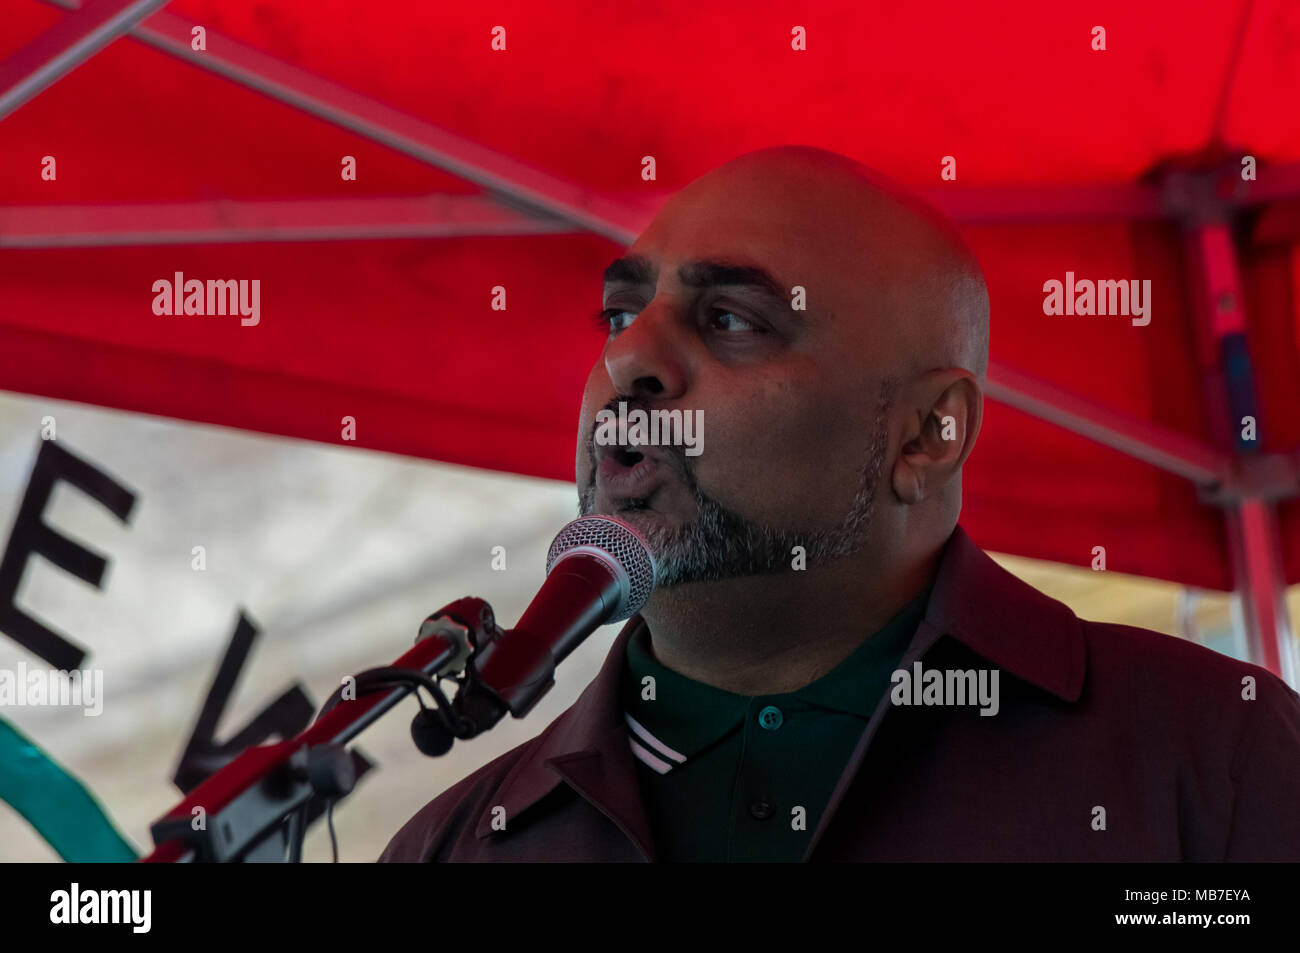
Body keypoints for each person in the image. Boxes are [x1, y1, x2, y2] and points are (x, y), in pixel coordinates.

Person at [380, 145, 1300, 862]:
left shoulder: (1211, 755)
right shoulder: (452, 845)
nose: (629, 360)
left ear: (927, 435)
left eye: (733, 320)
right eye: (619, 316)